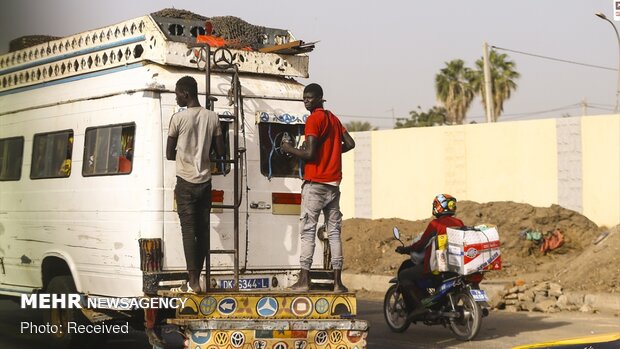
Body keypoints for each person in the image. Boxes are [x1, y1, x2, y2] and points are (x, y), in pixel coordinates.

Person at [280, 83, 356, 293]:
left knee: (308, 231)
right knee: (333, 233)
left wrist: (288, 148)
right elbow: (350, 144)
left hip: (315, 184)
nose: (306, 101)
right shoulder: (333, 118)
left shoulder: (314, 119)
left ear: (319, 98)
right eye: (304, 98)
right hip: (333, 184)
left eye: (310, 98)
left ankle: (304, 279)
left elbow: (310, 154)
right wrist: (331, 154)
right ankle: (338, 283)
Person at [166, 76, 225, 294]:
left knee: (189, 231)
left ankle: (193, 282)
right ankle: (196, 280)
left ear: (186, 94)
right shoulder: (213, 117)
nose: (176, 97)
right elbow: (221, 152)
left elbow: (169, 154)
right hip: (205, 182)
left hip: (185, 182)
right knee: (203, 230)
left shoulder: (178, 119)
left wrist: (185, 152)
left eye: (177, 93)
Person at [395, 194, 464, 319]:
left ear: (439, 207)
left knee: (404, 275)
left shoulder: (436, 224)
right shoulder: (459, 222)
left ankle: (419, 308)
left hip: (437, 266)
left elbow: (421, 244)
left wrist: (406, 249)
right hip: (456, 265)